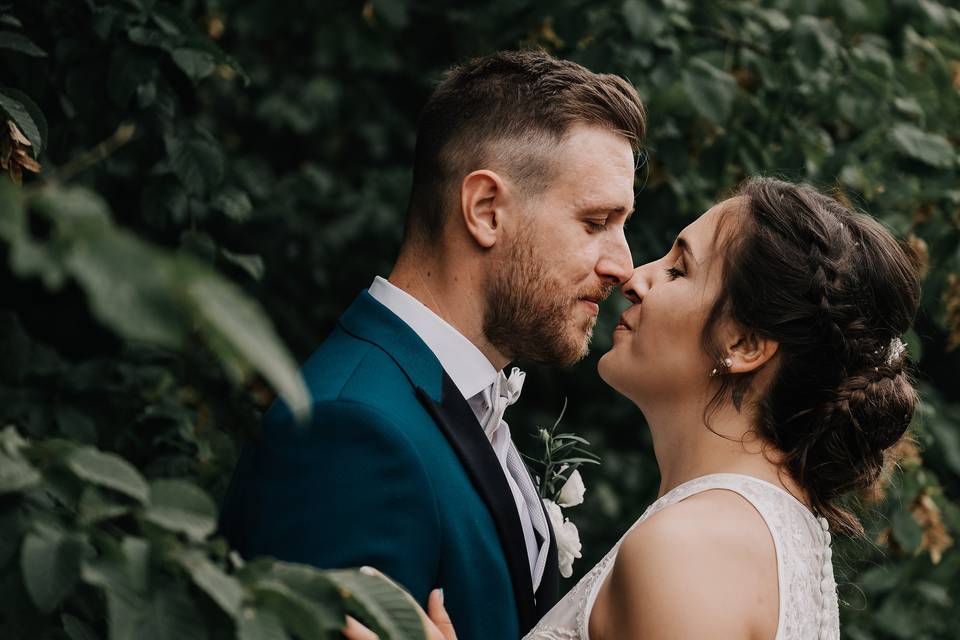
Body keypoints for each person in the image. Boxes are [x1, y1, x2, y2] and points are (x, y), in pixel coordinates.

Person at [346, 177, 921, 639]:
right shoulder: (757, 531)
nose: (633, 277)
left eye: (678, 269)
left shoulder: (692, 548)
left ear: (744, 345)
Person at [217, 49, 646, 640]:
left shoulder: (454, 401)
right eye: (596, 222)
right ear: (486, 210)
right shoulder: (351, 432)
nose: (623, 266)